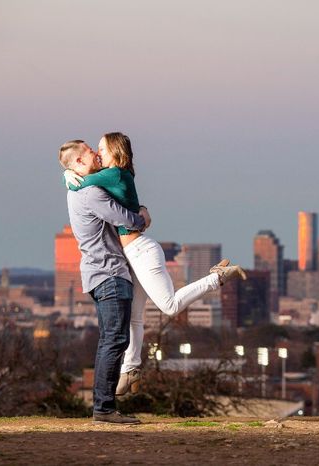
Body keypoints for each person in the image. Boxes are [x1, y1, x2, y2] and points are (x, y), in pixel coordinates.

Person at [62, 132, 247, 396]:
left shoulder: (112, 174)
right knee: (134, 319)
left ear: (114, 152)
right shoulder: (114, 175)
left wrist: (67, 176)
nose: (98, 153)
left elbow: (81, 183)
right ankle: (132, 370)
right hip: (130, 258)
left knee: (169, 306)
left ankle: (216, 277)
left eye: (101, 148)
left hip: (141, 251)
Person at [58, 140, 146, 424]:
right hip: (110, 274)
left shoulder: (78, 190)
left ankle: (103, 407)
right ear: (80, 164)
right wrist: (143, 215)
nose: (96, 155)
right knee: (115, 340)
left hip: (98, 275)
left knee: (110, 340)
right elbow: (129, 220)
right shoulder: (92, 193)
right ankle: (104, 408)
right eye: (90, 152)